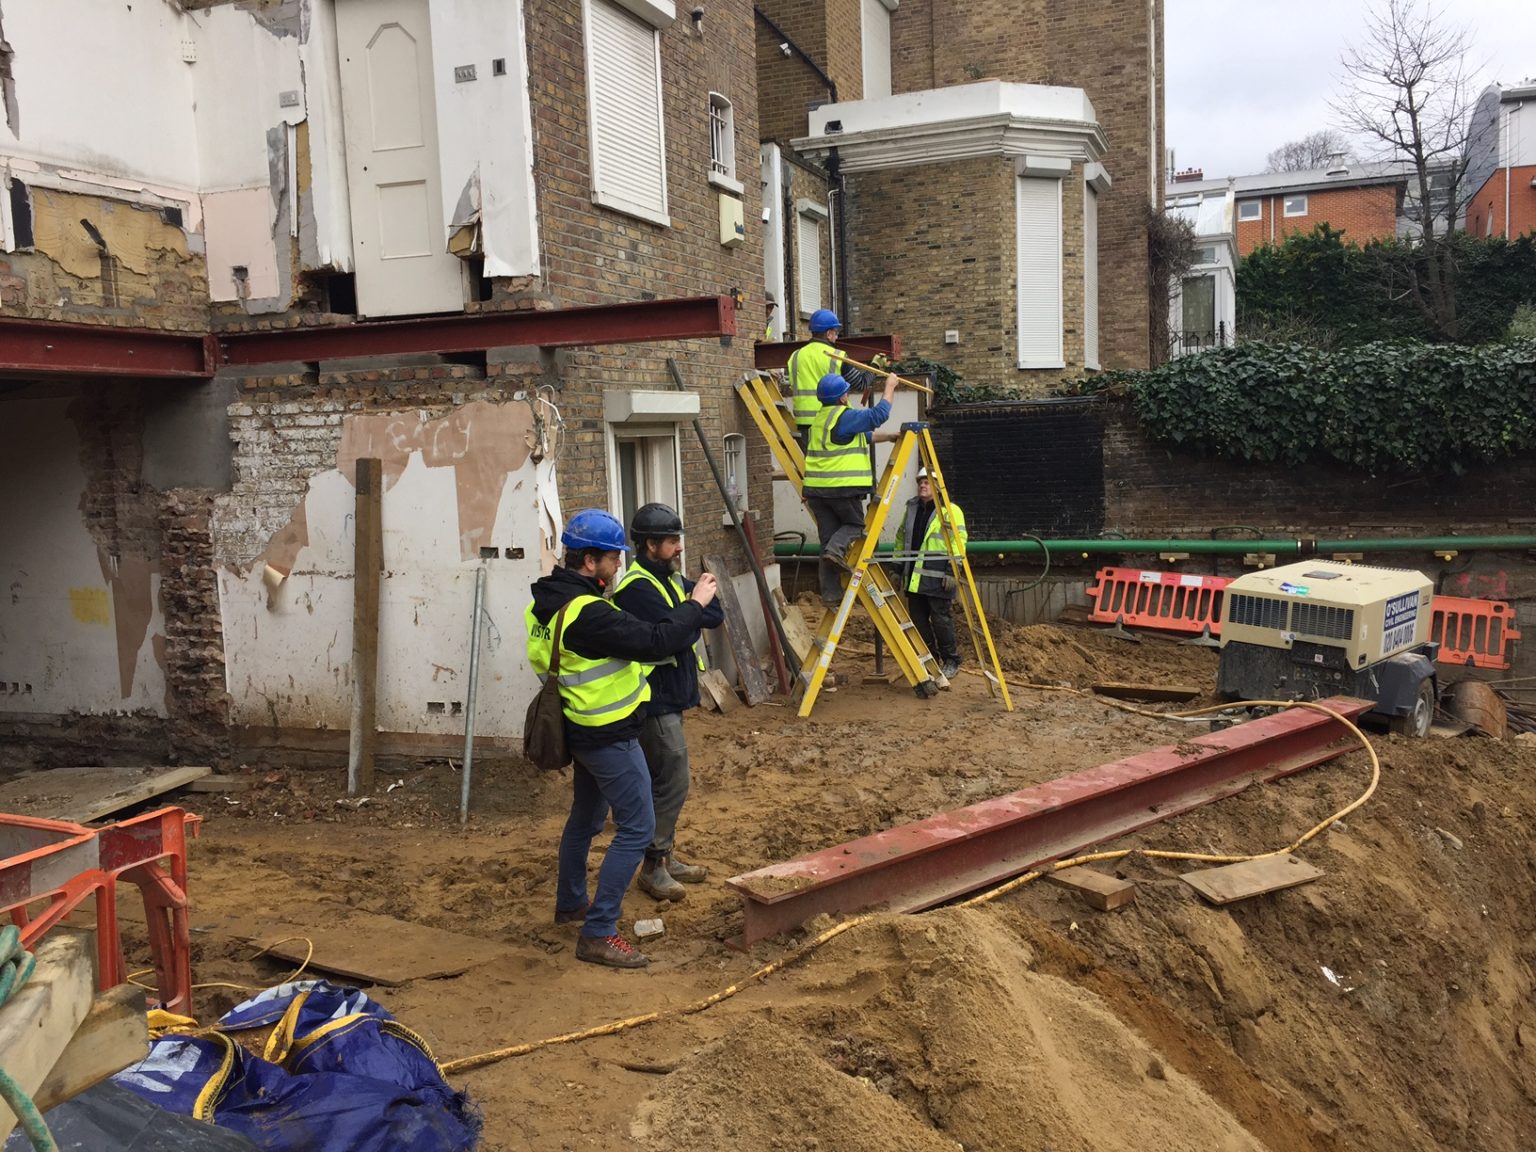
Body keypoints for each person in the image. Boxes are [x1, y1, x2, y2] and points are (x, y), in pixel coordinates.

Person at [525, 509, 718, 969]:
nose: (618, 566)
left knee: (585, 820)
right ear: (589, 561)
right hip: (607, 733)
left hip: (580, 726)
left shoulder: (548, 601)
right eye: (613, 558)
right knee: (636, 827)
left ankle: (572, 903)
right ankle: (598, 932)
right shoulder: (588, 612)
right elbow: (655, 640)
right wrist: (695, 604)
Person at [611, 503, 724, 903]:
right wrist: (693, 607)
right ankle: (654, 865)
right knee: (672, 779)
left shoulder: (670, 580)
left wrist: (692, 609)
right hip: (652, 699)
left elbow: (713, 615)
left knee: (668, 780)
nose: (679, 547)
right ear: (649, 544)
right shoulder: (637, 589)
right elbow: (676, 635)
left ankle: (666, 856)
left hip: (672, 695)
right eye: (672, 541)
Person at [802, 370, 900, 607]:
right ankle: (837, 550)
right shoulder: (844, 416)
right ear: (842, 397)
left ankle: (831, 595)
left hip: (817, 491)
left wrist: (889, 437)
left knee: (826, 543)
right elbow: (878, 415)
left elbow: (862, 436)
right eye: (846, 392)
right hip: (841, 489)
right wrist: (890, 387)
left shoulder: (820, 420)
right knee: (855, 525)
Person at [897, 467, 967, 681]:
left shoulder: (951, 510)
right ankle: (929, 659)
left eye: (927, 482)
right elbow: (902, 539)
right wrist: (898, 568)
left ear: (938, 486)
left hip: (939, 578)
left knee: (941, 620)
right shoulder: (911, 509)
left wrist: (953, 570)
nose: (922, 485)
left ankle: (951, 660)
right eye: (920, 481)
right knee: (918, 620)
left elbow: (959, 541)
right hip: (915, 579)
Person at [786, 309, 867, 446]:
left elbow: (793, 385)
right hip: (832, 419)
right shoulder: (836, 355)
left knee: (813, 463)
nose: (836, 337)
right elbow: (860, 384)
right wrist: (876, 367)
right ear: (829, 333)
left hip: (804, 422)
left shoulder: (795, 356)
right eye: (836, 333)